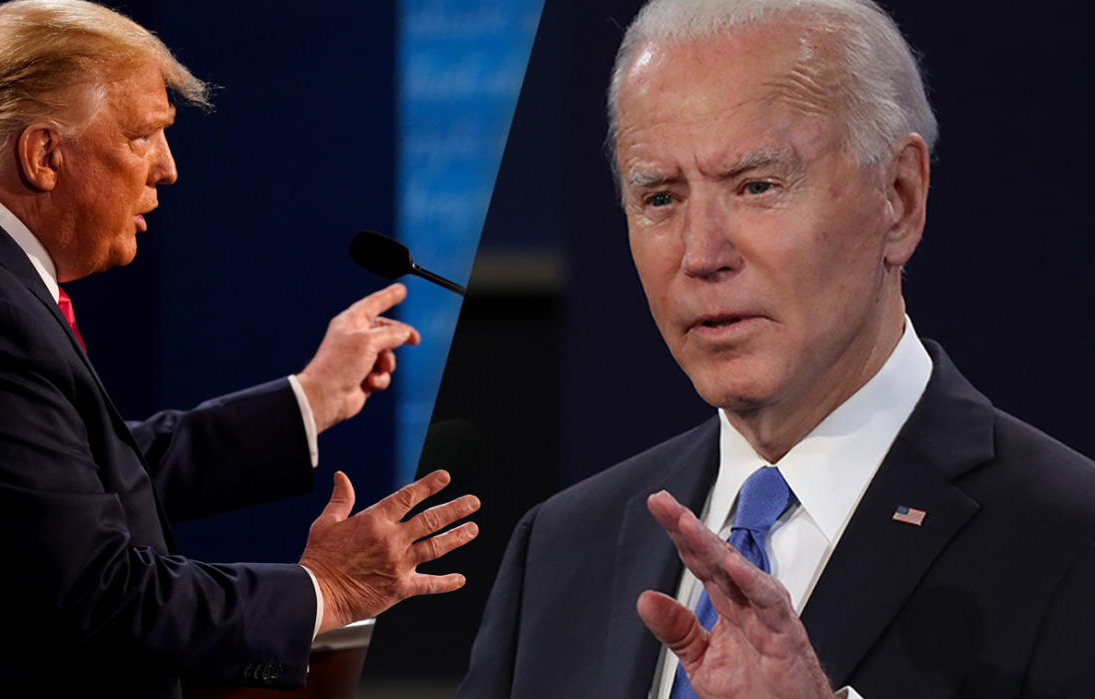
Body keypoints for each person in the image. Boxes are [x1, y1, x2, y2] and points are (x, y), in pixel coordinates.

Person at [459, 0, 1095, 698]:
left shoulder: (1070, 543)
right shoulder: (558, 551)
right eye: (661, 198)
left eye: (757, 186)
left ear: (900, 198)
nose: (701, 256)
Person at [0, 1, 478, 696]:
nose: (168, 168)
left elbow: (62, 482)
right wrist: (323, 589)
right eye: (144, 135)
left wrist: (308, 401)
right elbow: (102, 594)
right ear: (44, 154)